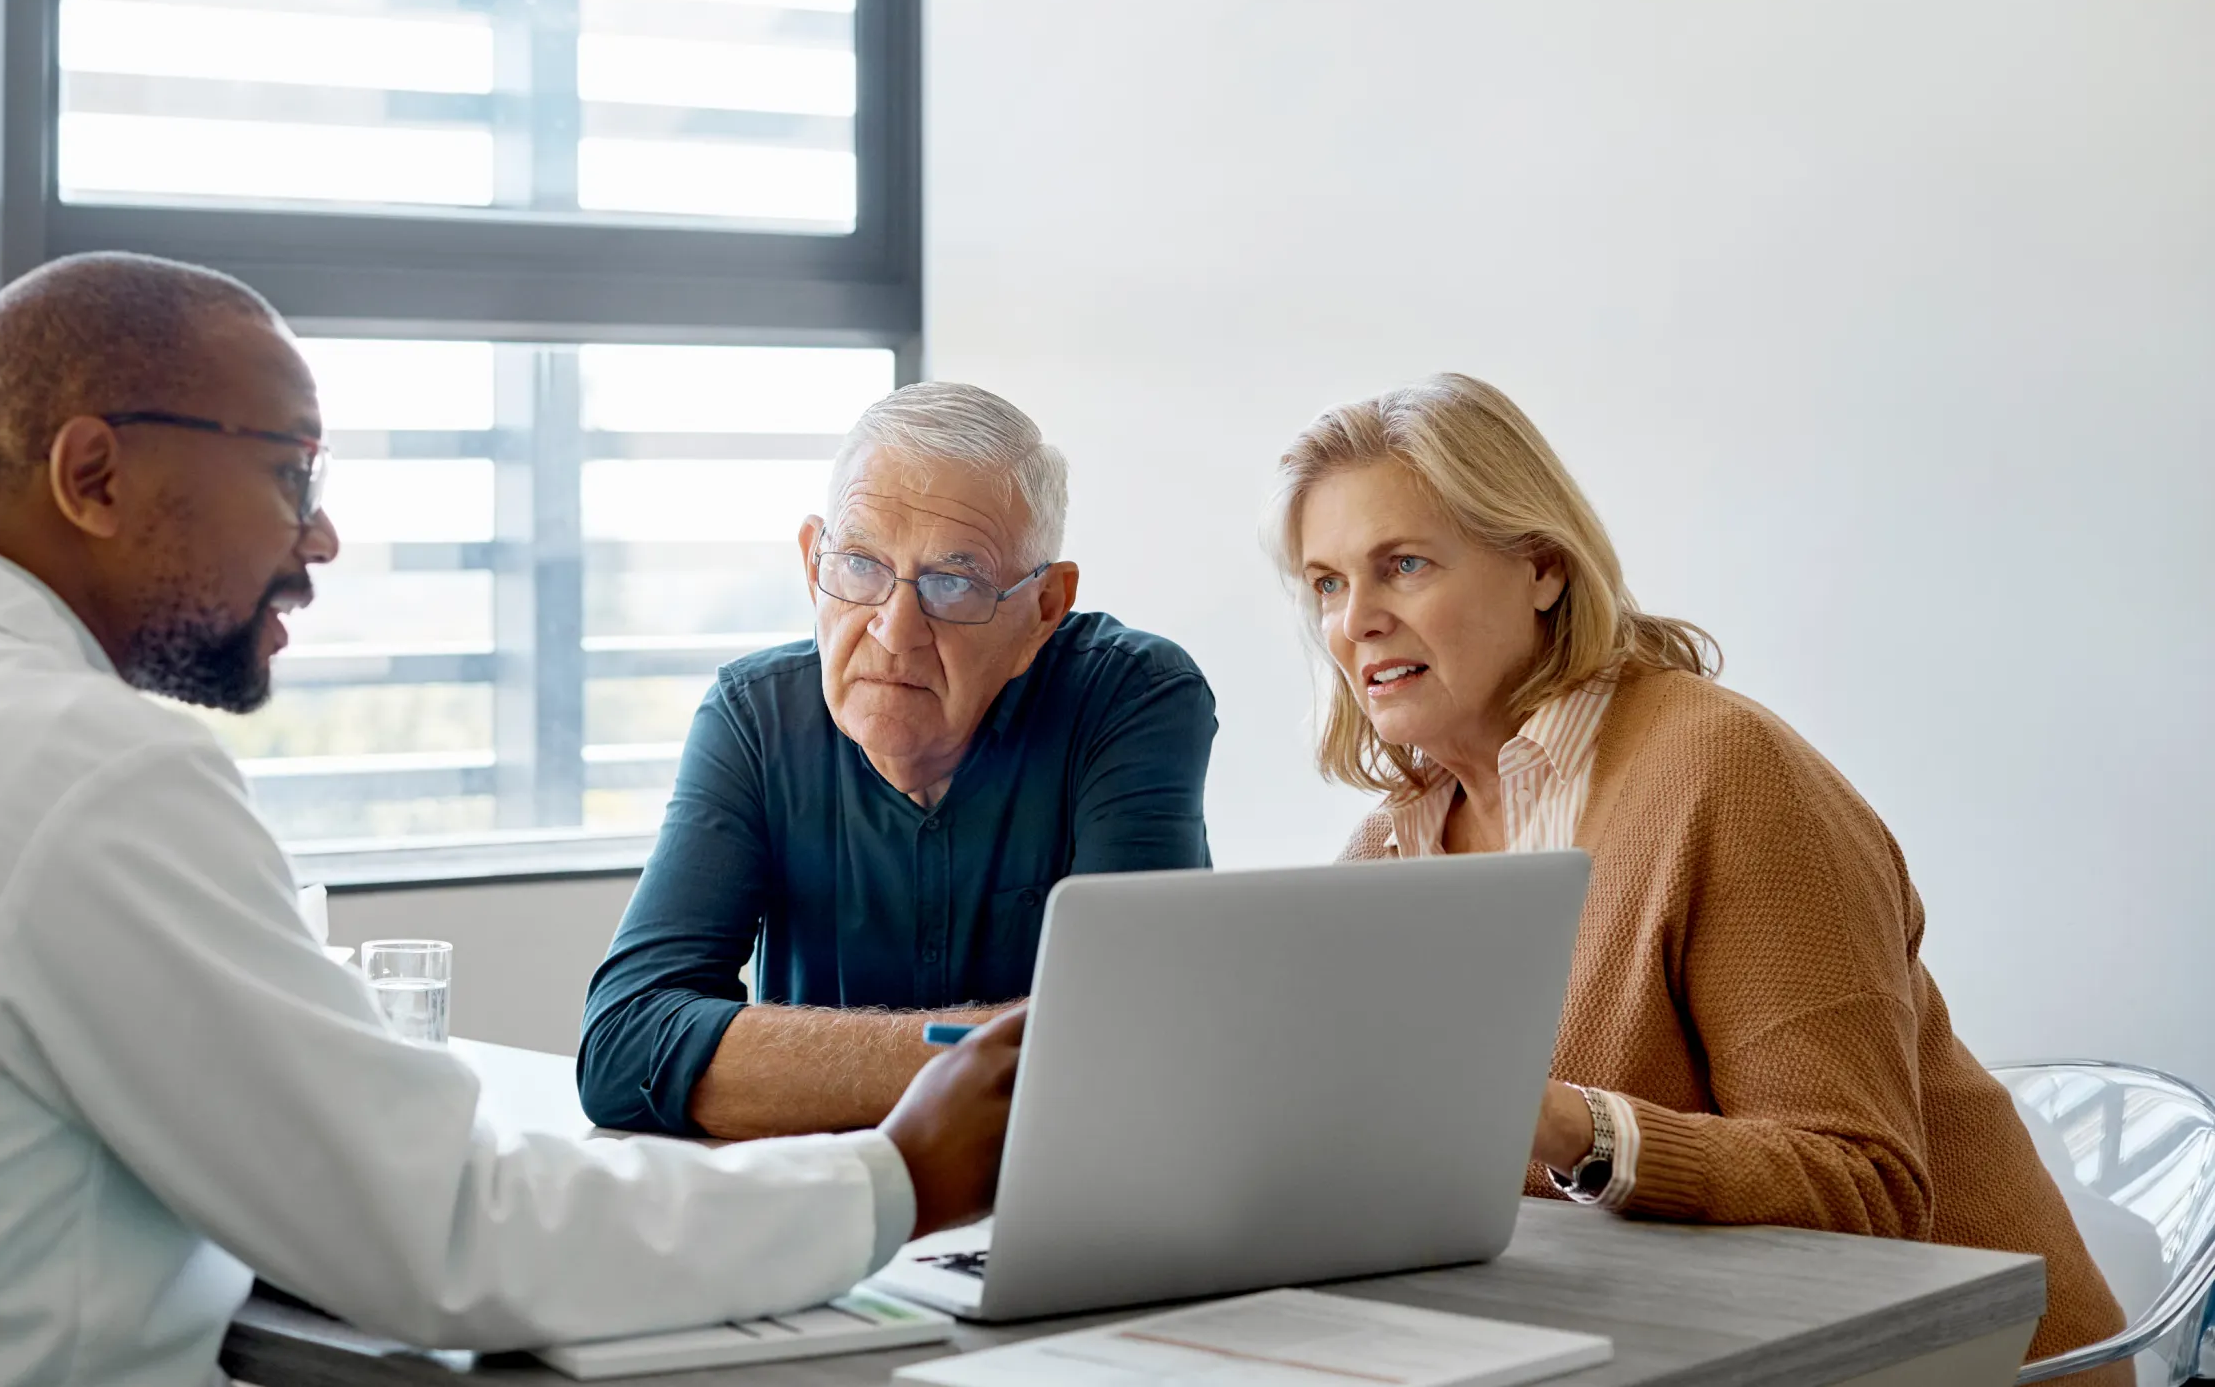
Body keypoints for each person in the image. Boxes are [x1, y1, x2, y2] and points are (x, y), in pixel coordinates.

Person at [0, 254, 1026, 1387]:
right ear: (95, 475)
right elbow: (445, 1235)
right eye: (291, 474)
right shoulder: (73, 768)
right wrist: (891, 1175)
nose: (321, 540)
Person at [1266, 372, 2125, 1382]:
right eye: (1326, 583)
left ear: (1541, 565)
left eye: (1401, 565)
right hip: (1649, 1352)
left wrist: (1556, 1121)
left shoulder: (1721, 771)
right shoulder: (1387, 851)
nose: (1354, 620)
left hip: (1949, 1362)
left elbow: (1865, 1189)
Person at [580, 383, 1213, 1139]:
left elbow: (1134, 1045)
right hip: (822, 1214)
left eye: (954, 582)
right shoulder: (755, 718)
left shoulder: (1130, 698)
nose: (894, 629)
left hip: (1058, 1213)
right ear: (812, 560)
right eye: (858, 565)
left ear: (1045, 608)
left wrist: (777, 1063)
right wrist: (1021, 1047)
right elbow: (625, 1051)